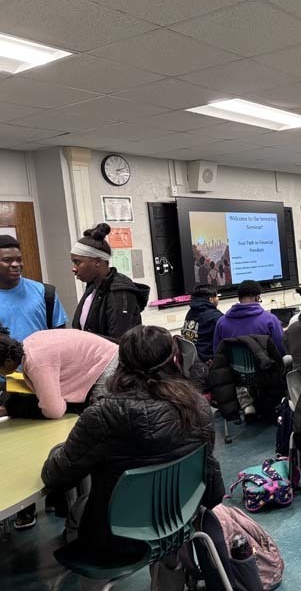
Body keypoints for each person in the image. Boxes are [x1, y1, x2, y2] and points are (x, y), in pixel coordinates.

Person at [41, 326, 223, 574]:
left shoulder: (103, 414)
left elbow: (56, 476)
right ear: (174, 359)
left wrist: (59, 450)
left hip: (115, 541)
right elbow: (209, 471)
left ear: (121, 363)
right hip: (182, 520)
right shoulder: (198, 406)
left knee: (79, 509)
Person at [0, 234, 68, 530]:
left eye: (18, 259)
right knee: (11, 447)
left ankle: (56, 493)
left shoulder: (44, 293)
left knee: (50, 436)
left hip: (43, 379)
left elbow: (62, 335)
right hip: (4, 385)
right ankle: (21, 506)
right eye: (7, 260)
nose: (16, 265)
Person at [0, 328, 118, 420]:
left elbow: (54, 411)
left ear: (8, 361)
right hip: (106, 357)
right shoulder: (30, 342)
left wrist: (11, 409)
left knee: (99, 418)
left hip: (107, 365)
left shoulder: (36, 362)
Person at [71, 223, 150, 340]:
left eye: (77, 262)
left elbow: (119, 342)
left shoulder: (119, 293)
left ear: (97, 262)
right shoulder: (92, 288)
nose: (73, 268)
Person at [213, 280, 284, 355]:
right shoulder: (270, 320)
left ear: (239, 298)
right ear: (257, 297)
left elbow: (217, 352)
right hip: (265, 365)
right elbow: (281, 349)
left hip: (234, 366)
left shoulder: (221, 322)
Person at [181, 285, 223, 362]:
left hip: (192, 358)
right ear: (211, 299)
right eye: (217, 296)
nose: (218, 298)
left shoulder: (190, 313)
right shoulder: (215, 316)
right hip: (207, 359)